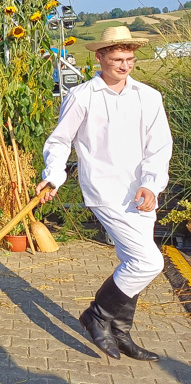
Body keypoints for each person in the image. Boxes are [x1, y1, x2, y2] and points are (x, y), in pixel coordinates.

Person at [36, 26, 172, 361]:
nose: (124, 66)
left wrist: (152, 183)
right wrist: (53, 176)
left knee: (133, 262)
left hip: (141, 193)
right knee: (149, 261)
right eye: (116, 60)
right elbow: (60, 141)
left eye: (129, 59)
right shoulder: (83, 96)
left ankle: (121, 331)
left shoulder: (148, 96)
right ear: (99, 58)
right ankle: (97, 316)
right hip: (105, 189)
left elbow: (160, 147)